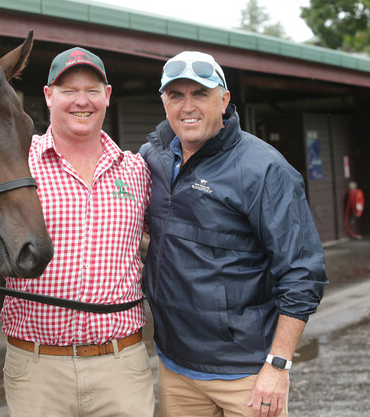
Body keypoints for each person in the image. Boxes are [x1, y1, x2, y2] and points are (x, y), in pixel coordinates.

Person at [0, 47, 154, 416]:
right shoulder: (17, 162)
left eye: (92, 90)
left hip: (121, 365)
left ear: (108, 96)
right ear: (49, 96)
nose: (81, 101)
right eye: (68, 91)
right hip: (38, 369)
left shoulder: (136, 171)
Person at [140, 51, 327, 417]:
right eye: (176, 95)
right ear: (163, 102)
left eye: (201, 94)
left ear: (224, 100)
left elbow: (303, 274)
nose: (187, 106)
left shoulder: (265, 169)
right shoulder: (152, 159)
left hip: (245, 374)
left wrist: (277, 366)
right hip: (174, 366)